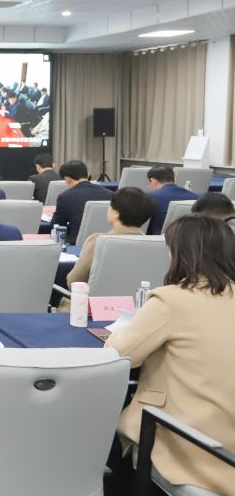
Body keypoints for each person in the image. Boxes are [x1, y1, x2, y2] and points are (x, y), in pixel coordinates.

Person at [106, 215, 235, 494]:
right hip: (228, 446)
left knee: (107, 443)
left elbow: (118, 354)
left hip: (189, 445)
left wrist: (121, 332)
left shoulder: (170, 300)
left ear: (180, 253)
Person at [66, 187, 156, 288]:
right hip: (142, 298)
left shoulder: (97, 241)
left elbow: (74, 281)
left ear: (116, 213)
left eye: (110, 206)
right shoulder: (157, 244)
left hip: (98, 298)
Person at [50, 160, 112, 245]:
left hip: (77, 245)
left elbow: (57, 225)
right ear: (87, 174)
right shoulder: (110, 194)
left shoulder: (65, 197)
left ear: (67, 179)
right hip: (105, 244)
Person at [146, 165, 197, 235]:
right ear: (174, 180)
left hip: (157, 239)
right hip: (187, 238)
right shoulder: (195, 197)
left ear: (153, 181)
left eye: (149, 183)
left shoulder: (150, 197)